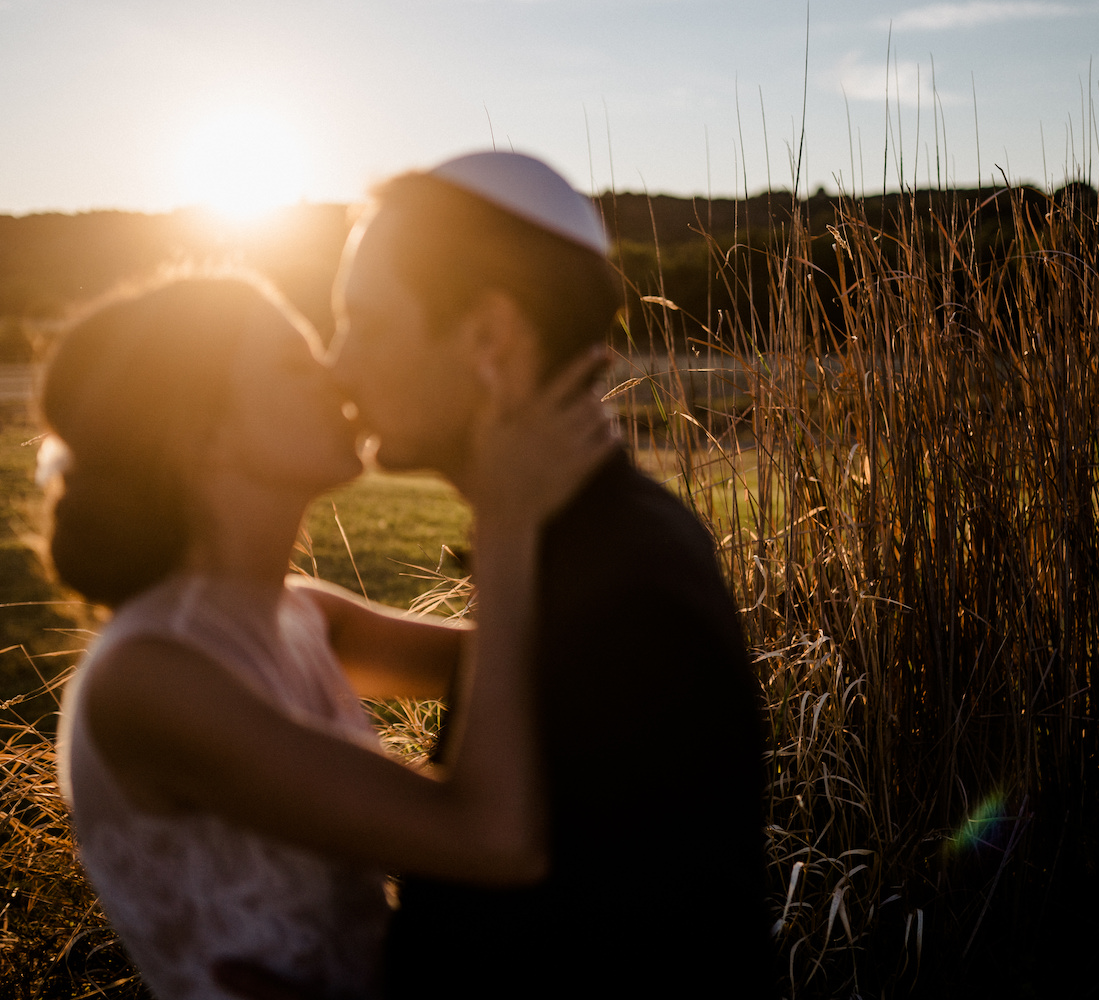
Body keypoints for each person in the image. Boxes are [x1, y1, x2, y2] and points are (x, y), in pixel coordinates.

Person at [45, 272, 616, 1000]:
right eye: (295, 364)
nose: (337, 376)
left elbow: (530, 667)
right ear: (204, 434)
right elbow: (494, 839)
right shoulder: (149, 678)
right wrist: (505, 521)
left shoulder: (306, 616)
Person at [330, 151, 771, 997]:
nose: (338, 363)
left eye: (365, 323)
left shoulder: (627, 599)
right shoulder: (585, 542)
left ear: (490, 338)